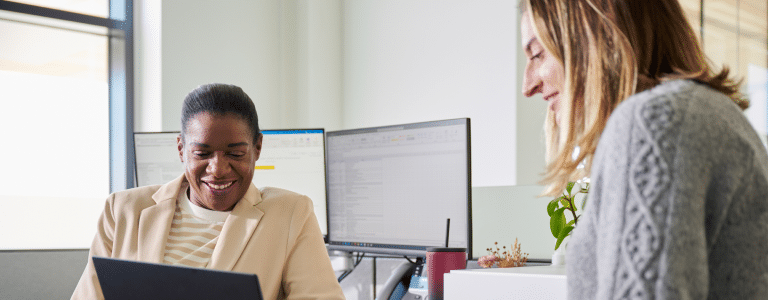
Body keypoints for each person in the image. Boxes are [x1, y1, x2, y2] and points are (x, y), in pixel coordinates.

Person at [520, 0, 768, 299]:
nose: (528, 85)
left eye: (538, 53)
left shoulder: (654, 121)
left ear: (596, 31)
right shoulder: (702, 114)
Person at [72, 83, 345, 300]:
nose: (217, 169)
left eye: (236, 153)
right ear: (181, 149)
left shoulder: (290, 213)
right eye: (202, 153)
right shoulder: (123, 210)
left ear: (258, 148)